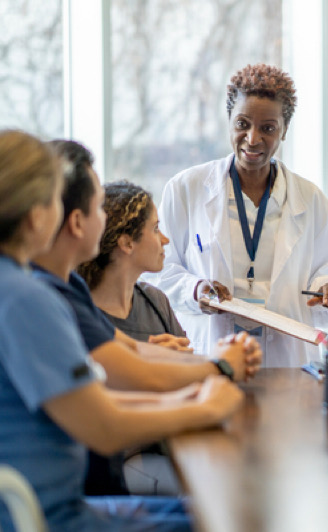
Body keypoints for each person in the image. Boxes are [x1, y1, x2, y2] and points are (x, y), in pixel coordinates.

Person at [0, 129, 244, 531]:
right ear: (36, 216)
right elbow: (104, 427)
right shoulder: (26, 299)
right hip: (51, 517)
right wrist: (203, 405)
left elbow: (96, 399)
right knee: (224, 519)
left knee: (208, 510)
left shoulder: (18, 287)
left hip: (52, 506)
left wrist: (188, 397)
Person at [150, 63, 328, 366]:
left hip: (286, 360)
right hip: (211, 351)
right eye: (242, 124)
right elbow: (157, 272)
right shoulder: (186, 189)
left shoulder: (311, 200)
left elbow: (327, 274)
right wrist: (195, 290)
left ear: (284, 131)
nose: (252, 138)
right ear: (229, 122)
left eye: (268, 128)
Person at [78, 181, 189, 350]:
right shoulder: (79, 313)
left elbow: (189, 364)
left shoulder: (155, 300)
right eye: (155, 228)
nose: (165, 240)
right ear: (127, 243)